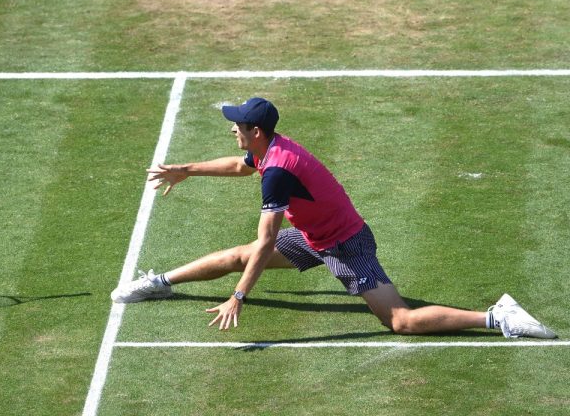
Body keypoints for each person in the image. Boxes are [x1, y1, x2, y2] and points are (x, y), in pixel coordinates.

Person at [111, 97, 556, 339]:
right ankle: (159, 283)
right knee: (237, 254)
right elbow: (238, 165)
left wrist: (238, 298)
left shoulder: (279, 169)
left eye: (238, 125)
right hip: (315, 236)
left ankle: (498, 317)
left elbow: (266, 242)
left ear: (257, 131)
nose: (233, 129)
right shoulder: (269, 149)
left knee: (399, 320)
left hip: (345, 245)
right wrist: (186, 170)